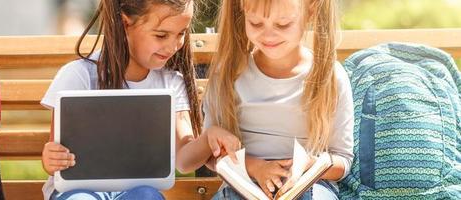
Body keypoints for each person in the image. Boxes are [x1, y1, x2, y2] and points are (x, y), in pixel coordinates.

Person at [39, 0, 240, 199]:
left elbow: (183, 160)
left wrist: (208, 138)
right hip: (78, 191)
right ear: (126, 23)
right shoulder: (79, 75)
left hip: (136, 192)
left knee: (146, 196)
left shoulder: (171, 83)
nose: (173, 46)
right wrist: (51, 159)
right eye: (161, 35)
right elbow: (55, 153)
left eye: (181, 33)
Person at [203, 0, 354, 199]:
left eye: (283, 24)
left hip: (310, 188)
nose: (268, 35)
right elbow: (211, 153)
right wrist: (256, 167)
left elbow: (343, 160)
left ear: (311, 11)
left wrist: (308, 165)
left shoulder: (331, 76)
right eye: (256, 23)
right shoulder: (227, 76)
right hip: (241, 188)